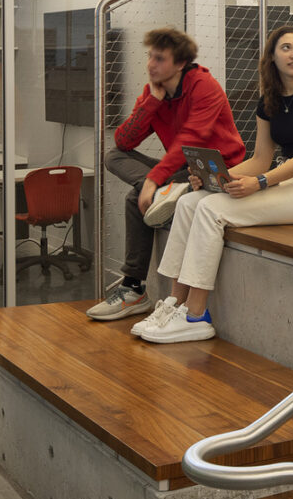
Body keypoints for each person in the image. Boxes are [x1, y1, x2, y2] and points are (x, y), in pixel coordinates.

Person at [134, 25, 293, 344]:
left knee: (211, 209)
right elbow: (260, 158)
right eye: (286, 48)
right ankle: (173, 304)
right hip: (283, 176)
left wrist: (259, 183)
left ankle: (196, 315)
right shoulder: (268, 100)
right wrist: (218, 178)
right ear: (272, 57)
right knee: (191, 200)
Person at [87, 27, 243, 322]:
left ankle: (133, 290)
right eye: (149, 57)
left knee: (136, 198)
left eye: (159, 59)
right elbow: (124, 141)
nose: (151, 65)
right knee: (113, 155)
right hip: (183, 168)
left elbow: (191, 139)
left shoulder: (204, 86)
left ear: (180, 63)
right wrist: (152, 103)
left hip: (216, 168)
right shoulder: (153, 91)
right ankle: (167, 191)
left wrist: (152, 180)